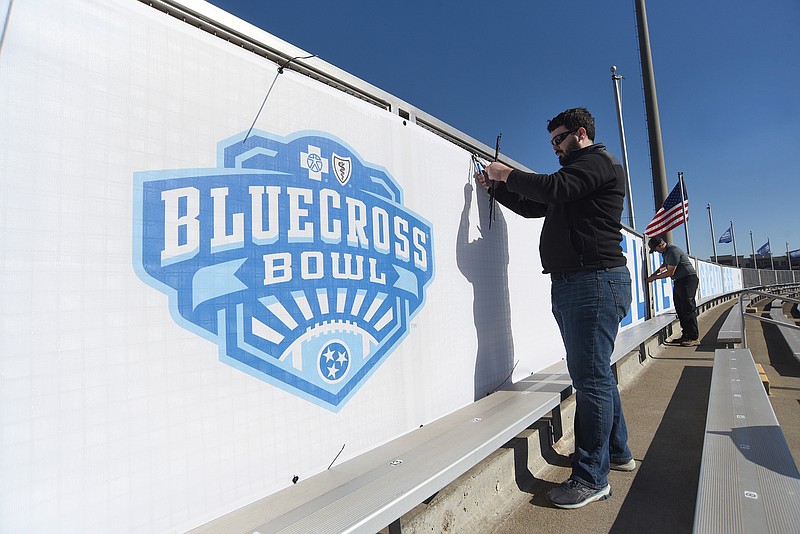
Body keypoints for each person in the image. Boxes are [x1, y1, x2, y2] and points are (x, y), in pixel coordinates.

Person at [475, 107, 634, 509]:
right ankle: (617, 453)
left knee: (591, 381)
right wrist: (497, 189)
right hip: (581, 284)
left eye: (559, 140)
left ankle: (591, 479)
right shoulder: (577, 179)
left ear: (581, 134)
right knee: (597, 376)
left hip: (592, 283)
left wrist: (505, 173)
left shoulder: (596, 163)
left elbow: (551, 189)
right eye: (551, 143)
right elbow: (534, 205)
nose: (555, 148)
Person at [646, 236, 700, 346]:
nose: (656, 252)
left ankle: (693, 337)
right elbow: (665, 266)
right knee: (680, 308)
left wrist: (654, 278)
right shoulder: (666, 253)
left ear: (661, 245)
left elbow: (670, 272)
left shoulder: (673, 251)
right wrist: (654, 274)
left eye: (656, 249)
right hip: (680, 281)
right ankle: (685, 334)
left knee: (688, 308)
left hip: (688, 280)